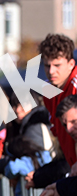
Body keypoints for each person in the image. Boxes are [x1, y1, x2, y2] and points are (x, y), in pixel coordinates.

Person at [39, 34, 77, 172]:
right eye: (47, 65)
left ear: (71, 64)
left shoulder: (75, 87)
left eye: (57, 65)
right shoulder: (48, 90)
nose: (51, 71)